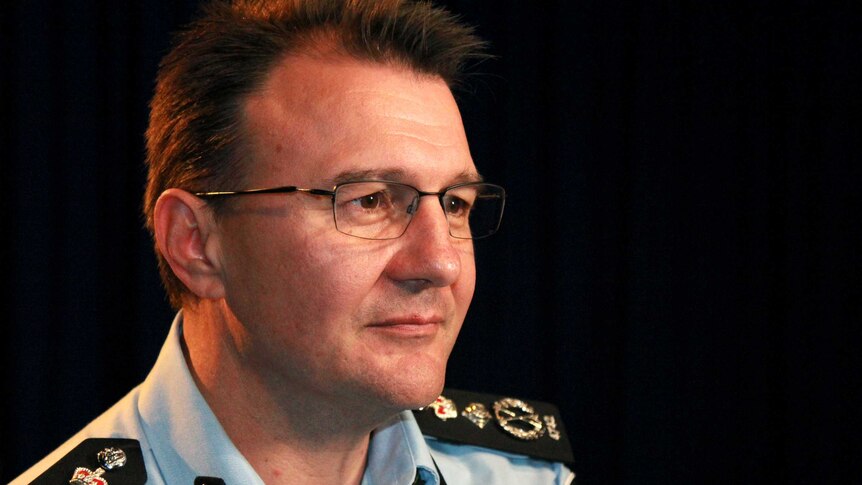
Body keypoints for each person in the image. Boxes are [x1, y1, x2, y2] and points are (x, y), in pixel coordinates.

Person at [13, 1, 574, 483]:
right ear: (196, 243)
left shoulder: (522, 472)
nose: (440, 261)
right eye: (370, 200)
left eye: (454, 203)